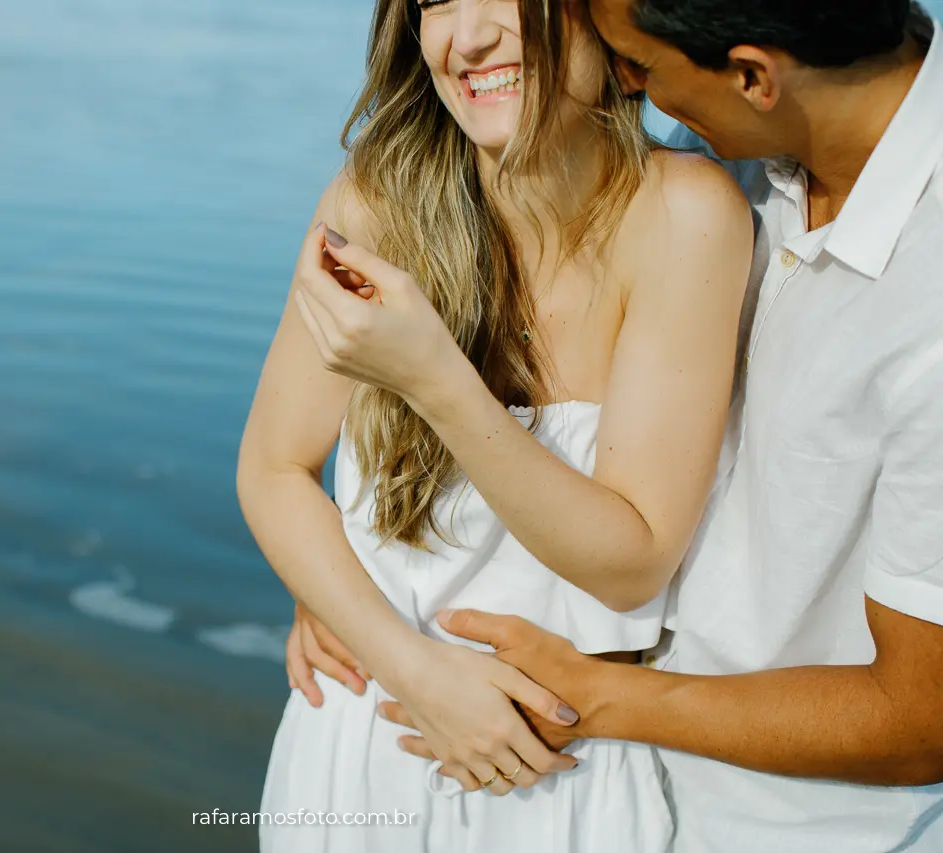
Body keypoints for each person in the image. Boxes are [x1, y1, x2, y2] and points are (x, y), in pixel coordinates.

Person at [367, 2, 943, 851]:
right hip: (636, 791)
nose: (628, 85)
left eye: (640, 63)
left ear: (752, 76)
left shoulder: (926, 303)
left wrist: (602, 698)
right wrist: (362, 585)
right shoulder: (756, 146)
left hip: (801, 827)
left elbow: (923, 717)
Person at [235, 0, 752, 849]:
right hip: (363, 742)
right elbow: (273, 467)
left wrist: (434, 377)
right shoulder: (376, 200)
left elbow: (629, 566)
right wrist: (410, 666)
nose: (467, 39)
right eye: (437, 0)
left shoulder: (684, 213)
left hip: (562, 770)